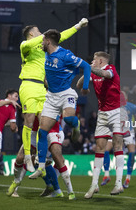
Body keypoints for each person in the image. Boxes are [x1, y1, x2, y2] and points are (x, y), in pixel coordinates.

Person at [19, 18, 88, 173]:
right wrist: (45, 36)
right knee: (29, 120)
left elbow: (60, 36)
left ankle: (40, 157)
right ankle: (27, 157)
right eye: (38, 31)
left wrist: (77, 26)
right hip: (29, 84)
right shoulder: (25, 45)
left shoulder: (44, 46)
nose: (41, 33)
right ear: (31, 33)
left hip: (44, 88)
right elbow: (32, 43)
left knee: (42, 122)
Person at [77, 51, 128, 198]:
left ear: (100, 61)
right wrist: (87, 70)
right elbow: (80, 86)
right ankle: (94, 185)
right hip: (103, 114)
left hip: (117, 111)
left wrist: (90, 68)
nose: (92, 61)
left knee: (118, 146)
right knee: (100, 147)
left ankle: (118, 183)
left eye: (94, 60)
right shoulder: (93, 73)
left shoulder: (111, 69)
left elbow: (106, 75)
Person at [7, 117, 65, 199]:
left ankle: (57, 190)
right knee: (21, 157)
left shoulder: (45, 105)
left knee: (44, 162)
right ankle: (16, 186)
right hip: (34, 131)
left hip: (50, 132)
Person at [101, 91, 136, 189]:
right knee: (105, 150)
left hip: (128, 131)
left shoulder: (132, 107)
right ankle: (106, 175)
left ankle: (127, 178)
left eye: (122, 95)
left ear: (126, 97)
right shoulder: (113, 106)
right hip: (115, 131)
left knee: (132, 152)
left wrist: (134, 128)